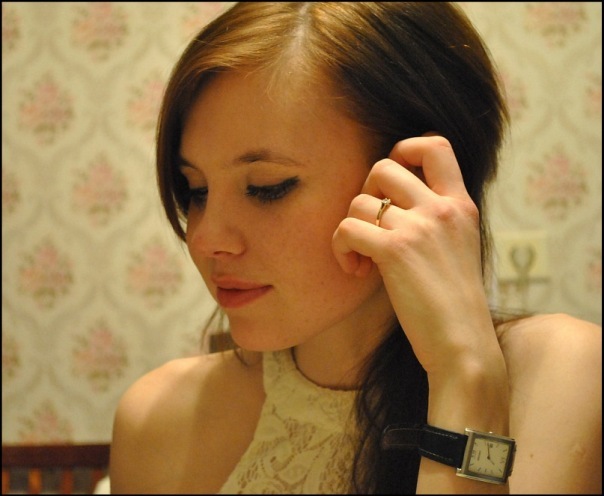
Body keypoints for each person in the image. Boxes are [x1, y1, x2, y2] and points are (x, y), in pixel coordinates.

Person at [110, 2, 602, 494]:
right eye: (195, 190)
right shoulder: (157, 419)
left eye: (267, 187)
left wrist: (465, 372)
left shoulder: (561, 376)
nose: (205, 238)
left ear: (413, 177)